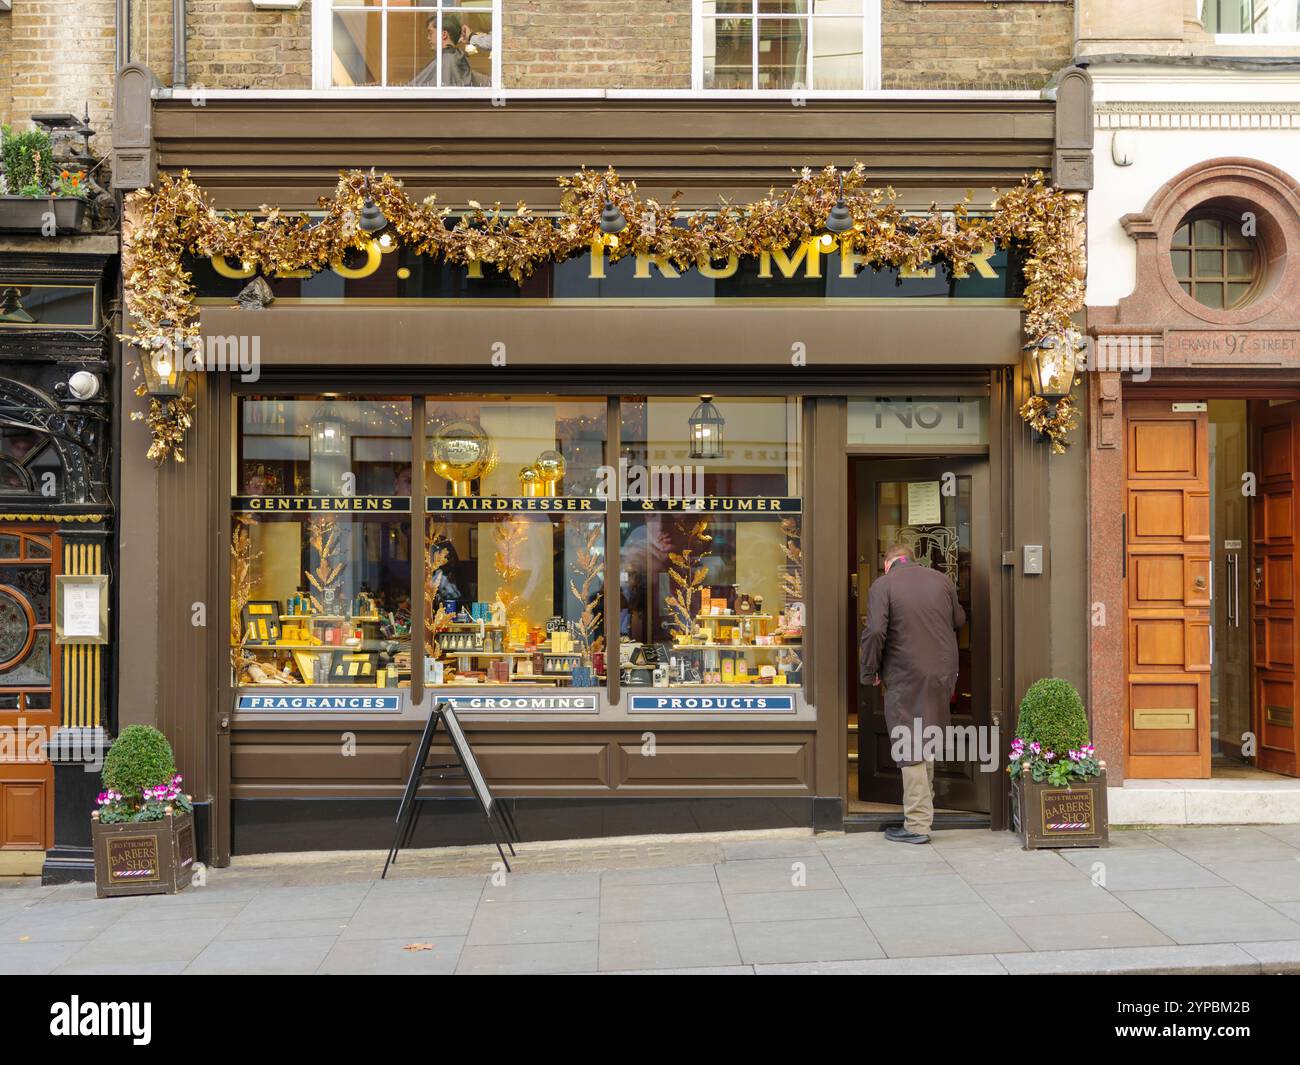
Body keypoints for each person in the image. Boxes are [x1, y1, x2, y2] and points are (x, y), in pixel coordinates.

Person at [859, 543, 966, 845]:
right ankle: (924, 812)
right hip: (944, 670)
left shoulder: (884, 585)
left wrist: (869, 670)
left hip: (907, 672)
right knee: (925, 735)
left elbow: (877, 630)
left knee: (909, 742)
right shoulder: (941, 580)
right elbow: (959, 620)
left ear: (887, 564)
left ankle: (918, 824)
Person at [410, 14, 492, 88]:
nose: (428, 38)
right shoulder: (454, 57)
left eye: (430, 33)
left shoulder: (448, 59)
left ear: (444, 35)